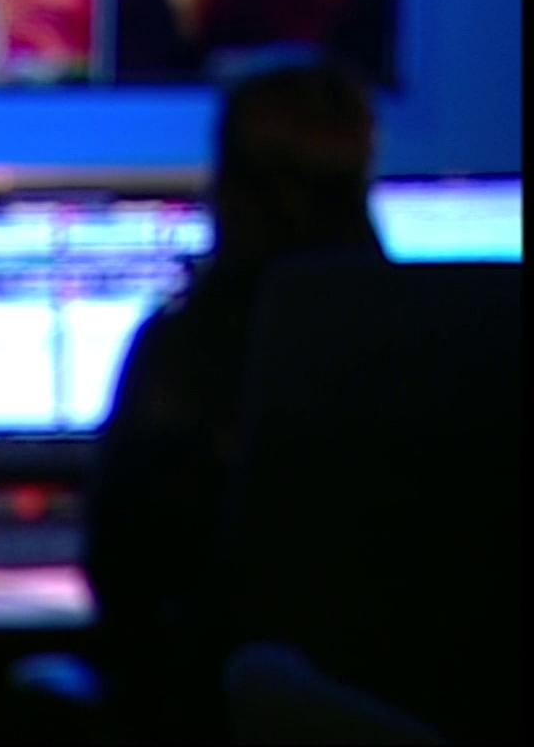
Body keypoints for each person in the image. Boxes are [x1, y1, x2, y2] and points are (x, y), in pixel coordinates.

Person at [83, 61, 385, 742]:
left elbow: (118, 574)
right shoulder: (434, 345)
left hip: (210, 713)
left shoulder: (180, 353)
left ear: (228, 186)